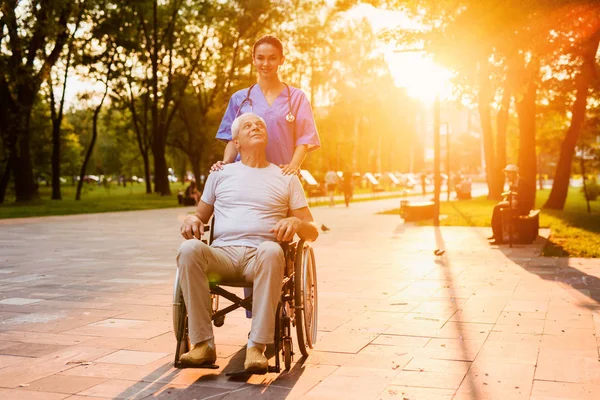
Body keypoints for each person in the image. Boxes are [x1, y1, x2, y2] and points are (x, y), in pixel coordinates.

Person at [177, 113, 319, 372]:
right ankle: (202, 345)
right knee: (189, 249)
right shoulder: (220, 174)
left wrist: (297, 223)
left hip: (262, 258)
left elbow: (313, 231)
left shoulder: (286, 176)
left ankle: (257, 347)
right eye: (248, 126)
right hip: (222, 257)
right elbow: (200, 215)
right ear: (236, 141)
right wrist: (191, 219)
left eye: (260, 125)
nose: (256, 127)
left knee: (271, 249)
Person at [211, 35, 320, 175]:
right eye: (260, 58)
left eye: (272, 58)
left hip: (282, 175)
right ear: (254, 60)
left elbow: (304, 139)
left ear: (282, 60)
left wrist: (293, 166)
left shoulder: (297, 98)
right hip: (245, 175)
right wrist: (225, 163)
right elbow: (234, 140)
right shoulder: (239, 98)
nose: (266, 63)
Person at [489, 164, 534, 244]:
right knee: (498, 209)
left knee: (498, 210)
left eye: (508, 173)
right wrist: (506, 200)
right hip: (516, 205)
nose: (507, 175)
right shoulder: (514, 182)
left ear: (514, 173)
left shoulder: (521, 183)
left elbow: (522, 200)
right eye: (506, 173)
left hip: (522, 208)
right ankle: (497, 234)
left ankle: (498, 237)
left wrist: (509, 202)